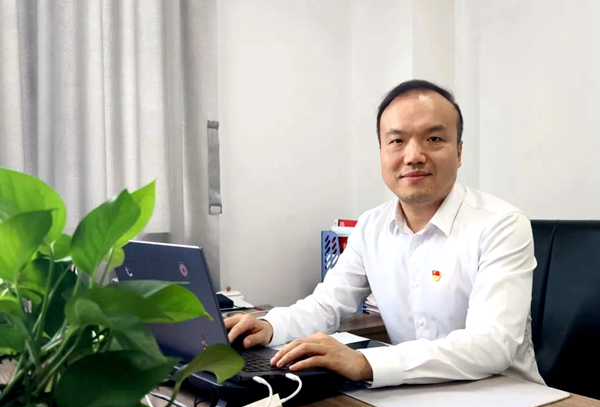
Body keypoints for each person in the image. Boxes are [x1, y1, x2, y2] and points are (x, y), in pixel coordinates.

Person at [224, 79, 544, 388]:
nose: (414, 156)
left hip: (508, 401)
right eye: (397, 141)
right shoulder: (371, 227)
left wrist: (366, 363)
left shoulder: (501, 225)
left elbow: (491, 344)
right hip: (414, 396)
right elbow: (328, 304)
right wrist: (269, 326)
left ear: (459, 152)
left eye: (434, 139)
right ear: (381, 152)